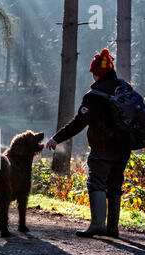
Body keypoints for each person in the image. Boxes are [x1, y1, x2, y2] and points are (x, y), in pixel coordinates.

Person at [45, 48, 131, 238]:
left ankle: (98, 225)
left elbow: (78, 123)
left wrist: (56, 138)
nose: (92, 75)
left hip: (102, 148)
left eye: (94, 72)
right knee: (115, 185)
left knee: (96, 182)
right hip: (124, 147)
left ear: (98, 73)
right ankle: (112, 228)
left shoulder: (94, 96)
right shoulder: (124, 88)